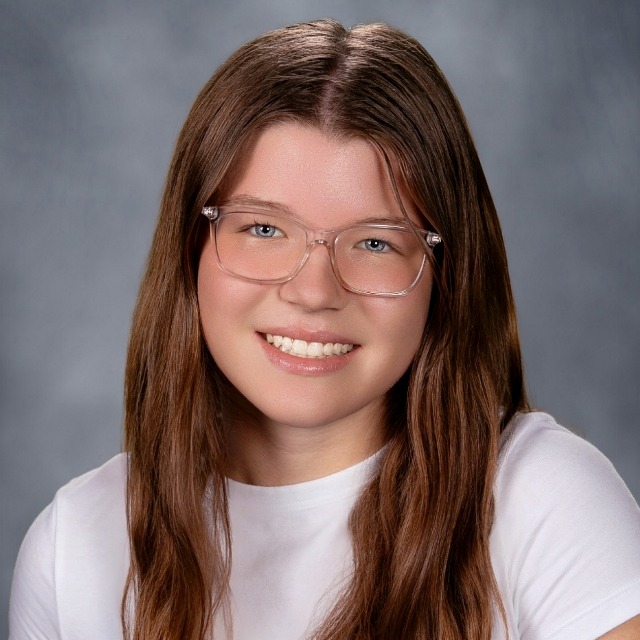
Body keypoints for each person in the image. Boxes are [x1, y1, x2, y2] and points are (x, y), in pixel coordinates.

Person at [9, 18, 640, 640]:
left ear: (447, 273)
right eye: (263, 229)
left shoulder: (545, 500)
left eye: (375, 242)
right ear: (190, 245)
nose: (313, 293)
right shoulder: (74, 548)